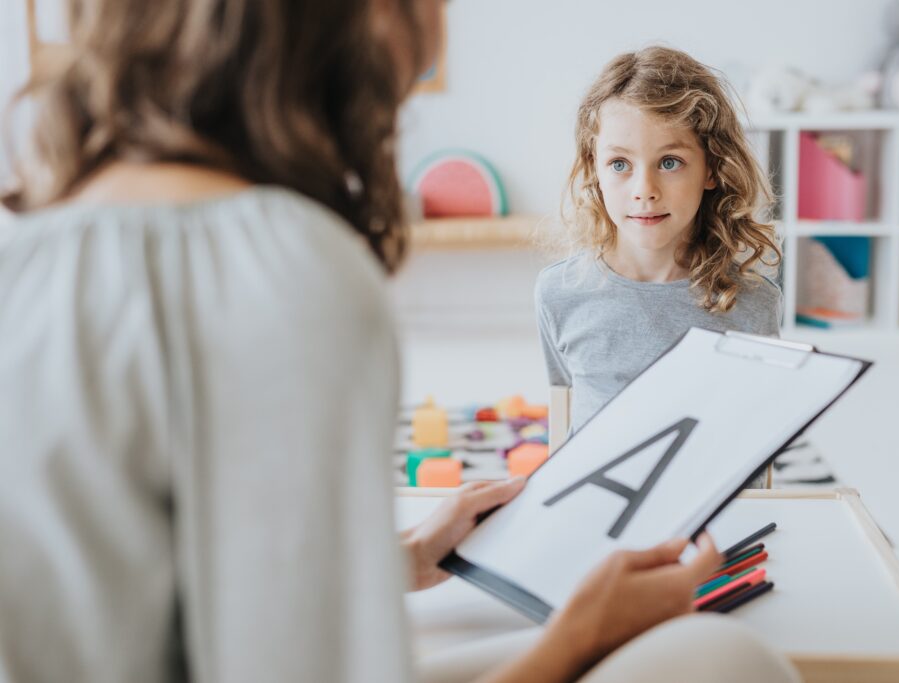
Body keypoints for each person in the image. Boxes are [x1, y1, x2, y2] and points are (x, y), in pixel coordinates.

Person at [0, 2, 799, 681]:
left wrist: (403, 556)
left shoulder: (23, 253)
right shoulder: (286, 265)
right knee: (731, 660)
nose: (433, 44)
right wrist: (581, 634)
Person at [536, 47, 783, 486]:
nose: (644, 189)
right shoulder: (559, 293)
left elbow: (756, 451)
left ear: (711, 168)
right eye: (619, 164)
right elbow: (565, 420)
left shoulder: (754, 304)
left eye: (670, 162)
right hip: (596, 527)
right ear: (594, 171)